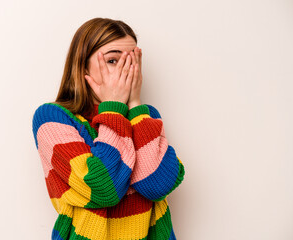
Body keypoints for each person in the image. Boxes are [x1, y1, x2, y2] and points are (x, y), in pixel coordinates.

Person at [32, 17, 185, 240]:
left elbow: (157, 185)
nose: (126, 71)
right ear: (83, 65)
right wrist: (113, 110)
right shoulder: (52, 117)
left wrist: (134, 106)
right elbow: (105, 189)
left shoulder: (145, 116)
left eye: (132, 62)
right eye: (113, 61)